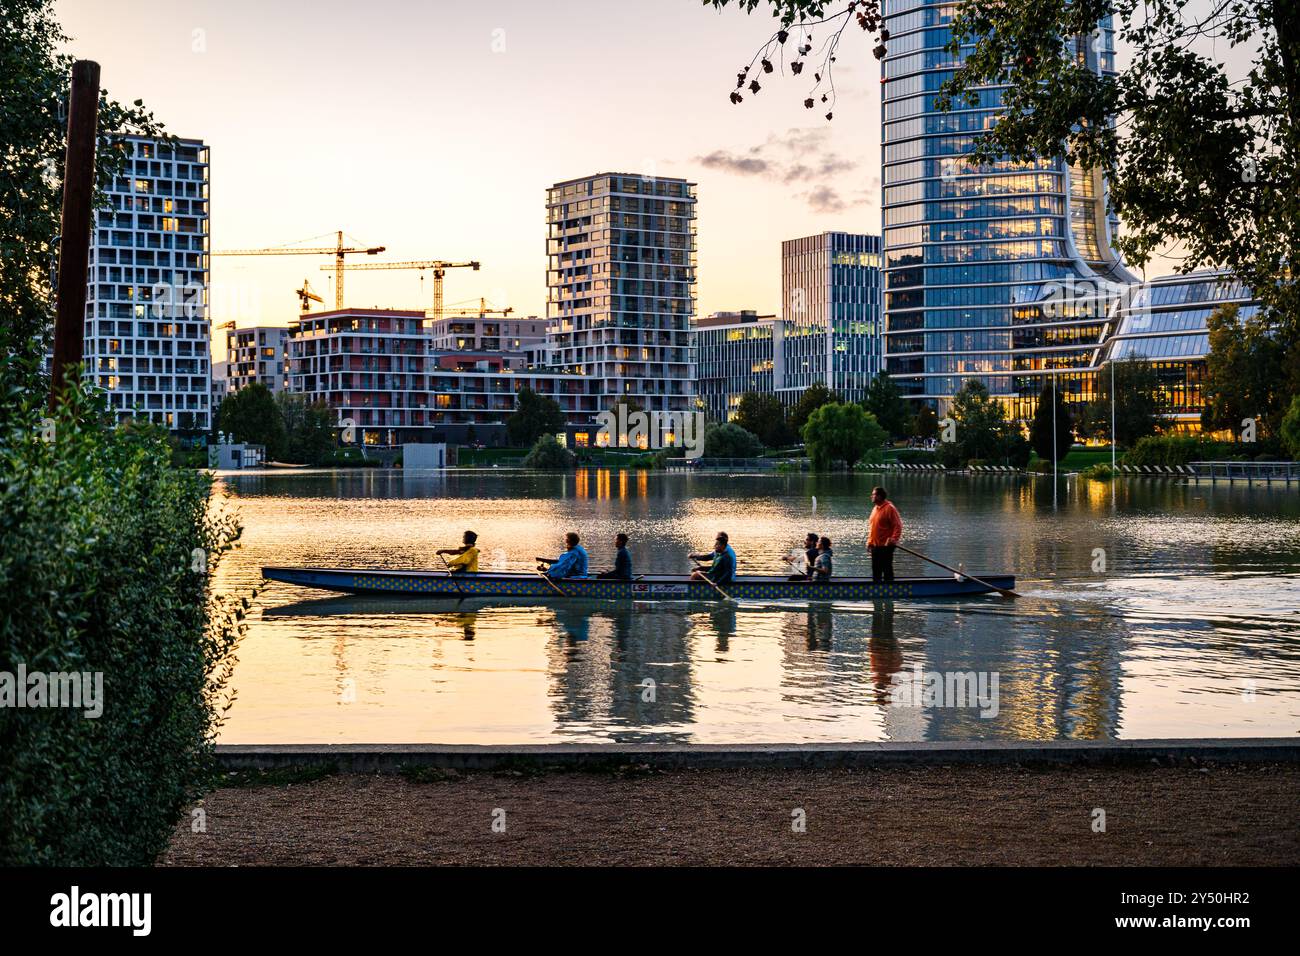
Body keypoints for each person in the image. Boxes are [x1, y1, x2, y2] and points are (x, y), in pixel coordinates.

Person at [867, 486, 903, 583]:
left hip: (886, 546)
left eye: (873, 494)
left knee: (887, 570)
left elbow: (898, 525)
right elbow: (872, 528)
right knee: (876, 571)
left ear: (879, 496)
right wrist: (869, 542)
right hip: (875, 546)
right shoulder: (875, 509)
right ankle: (876, 591)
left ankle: (889, 590)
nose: (871, 496)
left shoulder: (889, 508)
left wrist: (894, 539)